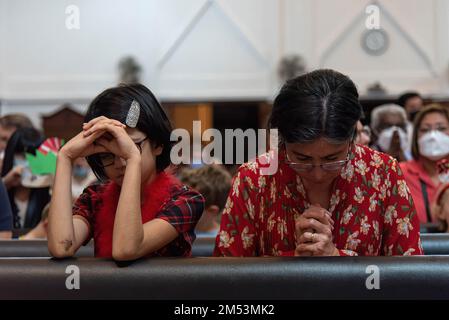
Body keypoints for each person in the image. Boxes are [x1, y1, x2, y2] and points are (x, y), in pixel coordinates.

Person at [214, 69, 422, 257]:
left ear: (352, 140)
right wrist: (294, 261)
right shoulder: (254, 179)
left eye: (332, 159)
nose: (318, 174)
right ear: (282, 142)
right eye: (302, 159)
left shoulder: (382, 173)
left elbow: (408, 274)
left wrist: (334, 258)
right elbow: (227, 275)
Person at [48, 84, 204, 260]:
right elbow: (62, 247)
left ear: (158, 144)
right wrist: (65, 157)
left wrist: (132, 159)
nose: (119, 162)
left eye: (132, 146)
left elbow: (126, 249)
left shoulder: (186, 200)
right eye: (107, 154)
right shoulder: (94, 198)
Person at [400, 104, 449, 223]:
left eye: (441, 128)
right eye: (425, 130)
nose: (433, 136)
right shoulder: (399, 173)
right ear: (416, 136)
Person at [1, 127, 51, 229]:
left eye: (35, 156)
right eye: (23, 156)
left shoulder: (47, 194)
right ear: (11, 155)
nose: (29, 162)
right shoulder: (4, 186)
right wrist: (5, 185)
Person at [179, 165, 232, 236]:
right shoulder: (173, 231)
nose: (179, 208)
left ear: (212, 211)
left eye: (189, 205)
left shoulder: (222, 241)